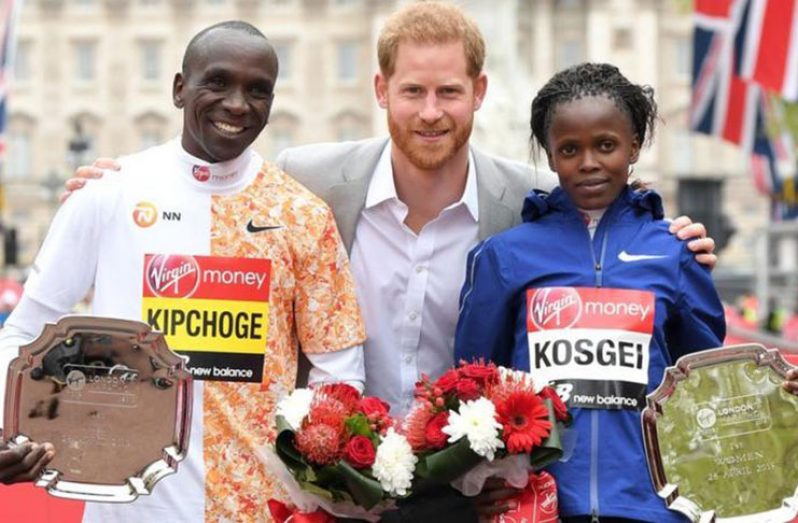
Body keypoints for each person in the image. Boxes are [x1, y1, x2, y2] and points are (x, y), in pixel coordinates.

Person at [62, 2, 719, 520]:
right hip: (337, 486)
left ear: (479, 92)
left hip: (472, 494)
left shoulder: (526, 200)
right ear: (380, 89)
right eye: (412, 91)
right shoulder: (308, 181)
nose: (430, 113)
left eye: (449, 92)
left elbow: (601, 246)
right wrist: (118, 190)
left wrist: (672, 235)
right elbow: (213, 202)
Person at [0, 21, 366, 523]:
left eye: (257, 91)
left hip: (261, 508)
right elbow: (23, 330)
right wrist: (12, 428)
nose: (237, 104)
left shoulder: (304, 215)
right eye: (217, 83)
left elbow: (340, 373)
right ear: (179, 89)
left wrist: (315, 480)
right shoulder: (109, 192)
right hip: (127, 506)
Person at [453, 62, 798, 522]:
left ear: (633, 147)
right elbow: (471, 387)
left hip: (653, 507)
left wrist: (777, 396)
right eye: (570, 149)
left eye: (606, 145)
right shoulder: (504, 257)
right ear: (550, 155)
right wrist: (476, 481)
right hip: (539, 508)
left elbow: (713, 385)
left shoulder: (674, 253)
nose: (589, 162)